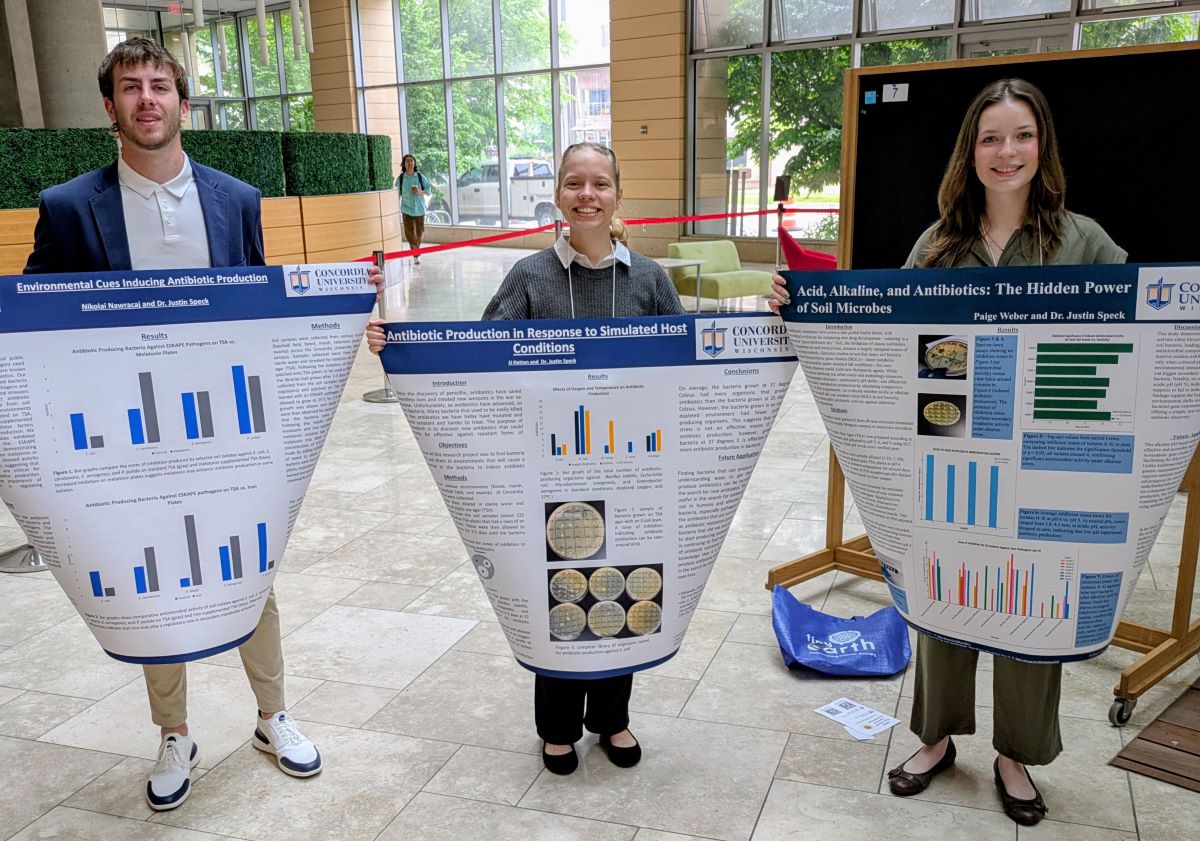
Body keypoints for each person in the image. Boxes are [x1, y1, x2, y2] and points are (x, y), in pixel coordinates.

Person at [24, 37, 380, 811]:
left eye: (160, 86)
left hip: (226, 427)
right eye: (130, 87)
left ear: (184, 105)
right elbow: (30, 323)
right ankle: (174, 731)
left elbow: (261, 314)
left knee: (251, 568)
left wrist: (348, 302)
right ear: (111, 106)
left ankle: (271, 715)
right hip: (130, 435)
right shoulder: (66, 207)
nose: (146, 99)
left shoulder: (235, 199)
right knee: (153, 580)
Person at [771, 78, 1124, 826]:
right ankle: (934, 739)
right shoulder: (936, 247)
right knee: (944, 593)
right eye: (990, 138)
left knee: (1036, 604)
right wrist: (802, 301)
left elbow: (1137, 337)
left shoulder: (1084, 242)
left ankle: (1015, 753)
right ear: (971, 151)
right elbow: (881, 340)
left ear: (1042, 146)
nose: (1006, 152)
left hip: (1045, 463)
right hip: (949, 457)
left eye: (1021, 135)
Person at [368, 142, 683, 774]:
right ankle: (559, 727)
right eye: (574, 184)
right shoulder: (530, 276)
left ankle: (613, 719)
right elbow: (480, 355)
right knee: (562, 592)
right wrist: (396, 344)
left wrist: (779, 322)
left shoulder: (650, 278)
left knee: (624, 586)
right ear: (558, 196)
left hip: (629, 473)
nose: (586, 195)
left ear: (618, 194)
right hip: (552, 470)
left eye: (599, 184)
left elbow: (689, 361)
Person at [397, 154, 430, 266]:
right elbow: (396, 193)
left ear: (414, 163)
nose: (409, 163)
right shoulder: (401, 178)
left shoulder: (420, 177)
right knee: (410, 234)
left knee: (419, 233)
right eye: (407, 161)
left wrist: (419, 192)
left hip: (419, 209)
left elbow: (428, 190)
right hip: (406, 209)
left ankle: (416, 250)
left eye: (411, 161)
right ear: (404, 164)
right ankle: (416, 255)